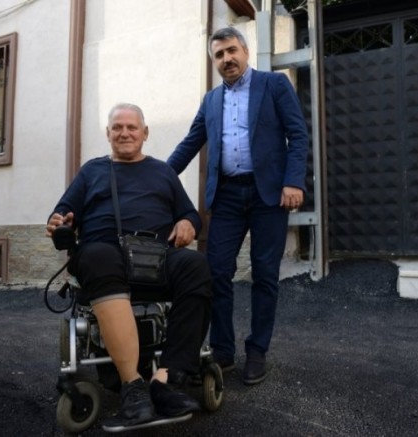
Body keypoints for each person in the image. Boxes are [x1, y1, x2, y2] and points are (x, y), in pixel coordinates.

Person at [46, 103, 212, 431]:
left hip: (156, 258)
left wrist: (187, 223)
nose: (125, 133)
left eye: (132, 127)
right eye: (118, 127)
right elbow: (63, 212)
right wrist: (58, 221)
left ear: (145, 133)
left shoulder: (163, 172)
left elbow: (190, 214)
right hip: (104, 257)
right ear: (108, 133)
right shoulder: (91, 171)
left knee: (196, 265)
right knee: (97, 255)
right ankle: (132, 387)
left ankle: (166, 380)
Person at [167, 27, 309, 386]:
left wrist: (294, 181)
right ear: (214, 61)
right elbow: (190, 143)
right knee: (216, 272)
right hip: (227, 196)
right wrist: (157, 177)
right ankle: (223, 350)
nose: (226, 59)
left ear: (245, 51)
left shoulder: (274, 85)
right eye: (219, 54)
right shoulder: (211, 100)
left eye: (232, 50)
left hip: (268, 195)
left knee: (265, 274)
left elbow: (298, 134)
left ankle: (257, 350)